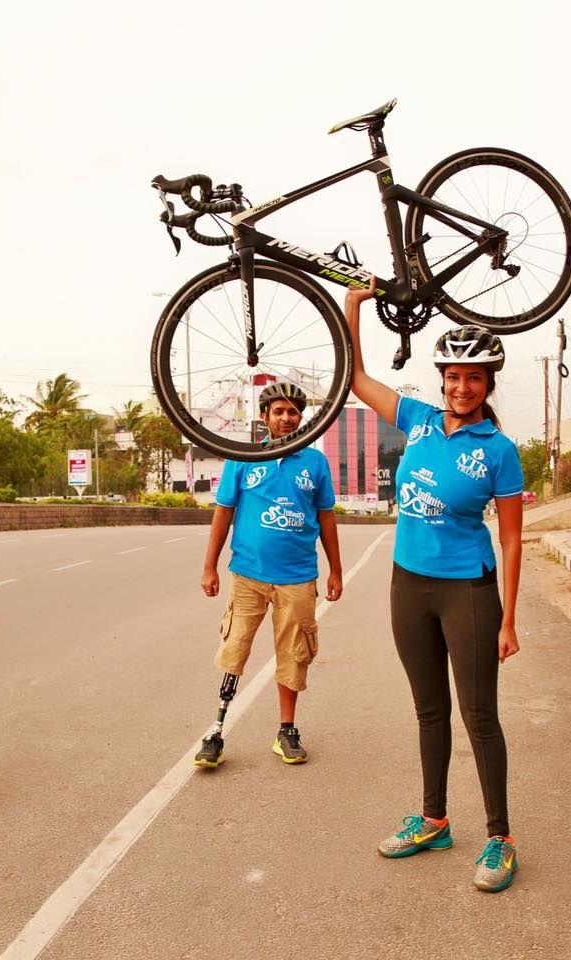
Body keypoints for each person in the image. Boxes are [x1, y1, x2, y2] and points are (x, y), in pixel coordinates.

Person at [345, 278, 524, 893]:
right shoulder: (418, 419)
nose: (460, 385)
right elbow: (357, 379)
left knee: (479, 715)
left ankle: (500, 837)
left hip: (468, 593)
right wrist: (351, 307)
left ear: (488, 385)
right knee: (429, 711)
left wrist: (507, 618)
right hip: (408, 586)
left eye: (473, 377)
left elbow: (512, 539)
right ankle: (434, 820)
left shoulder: (499, 450)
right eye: (452, 374)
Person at [194, 382, 342, 769]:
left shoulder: (315, 463)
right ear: (265, 417)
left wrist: (336, 570)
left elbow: (326, 517)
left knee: (294, 654)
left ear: (301, 417)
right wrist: (210, 565)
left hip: (297, 577)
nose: (286, 417)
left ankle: (287, 731)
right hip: (247, 573)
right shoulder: (241, 458)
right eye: (278, 411)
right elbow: (223, 512)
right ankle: (216, 730)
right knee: (235, 646)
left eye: (293, 411)